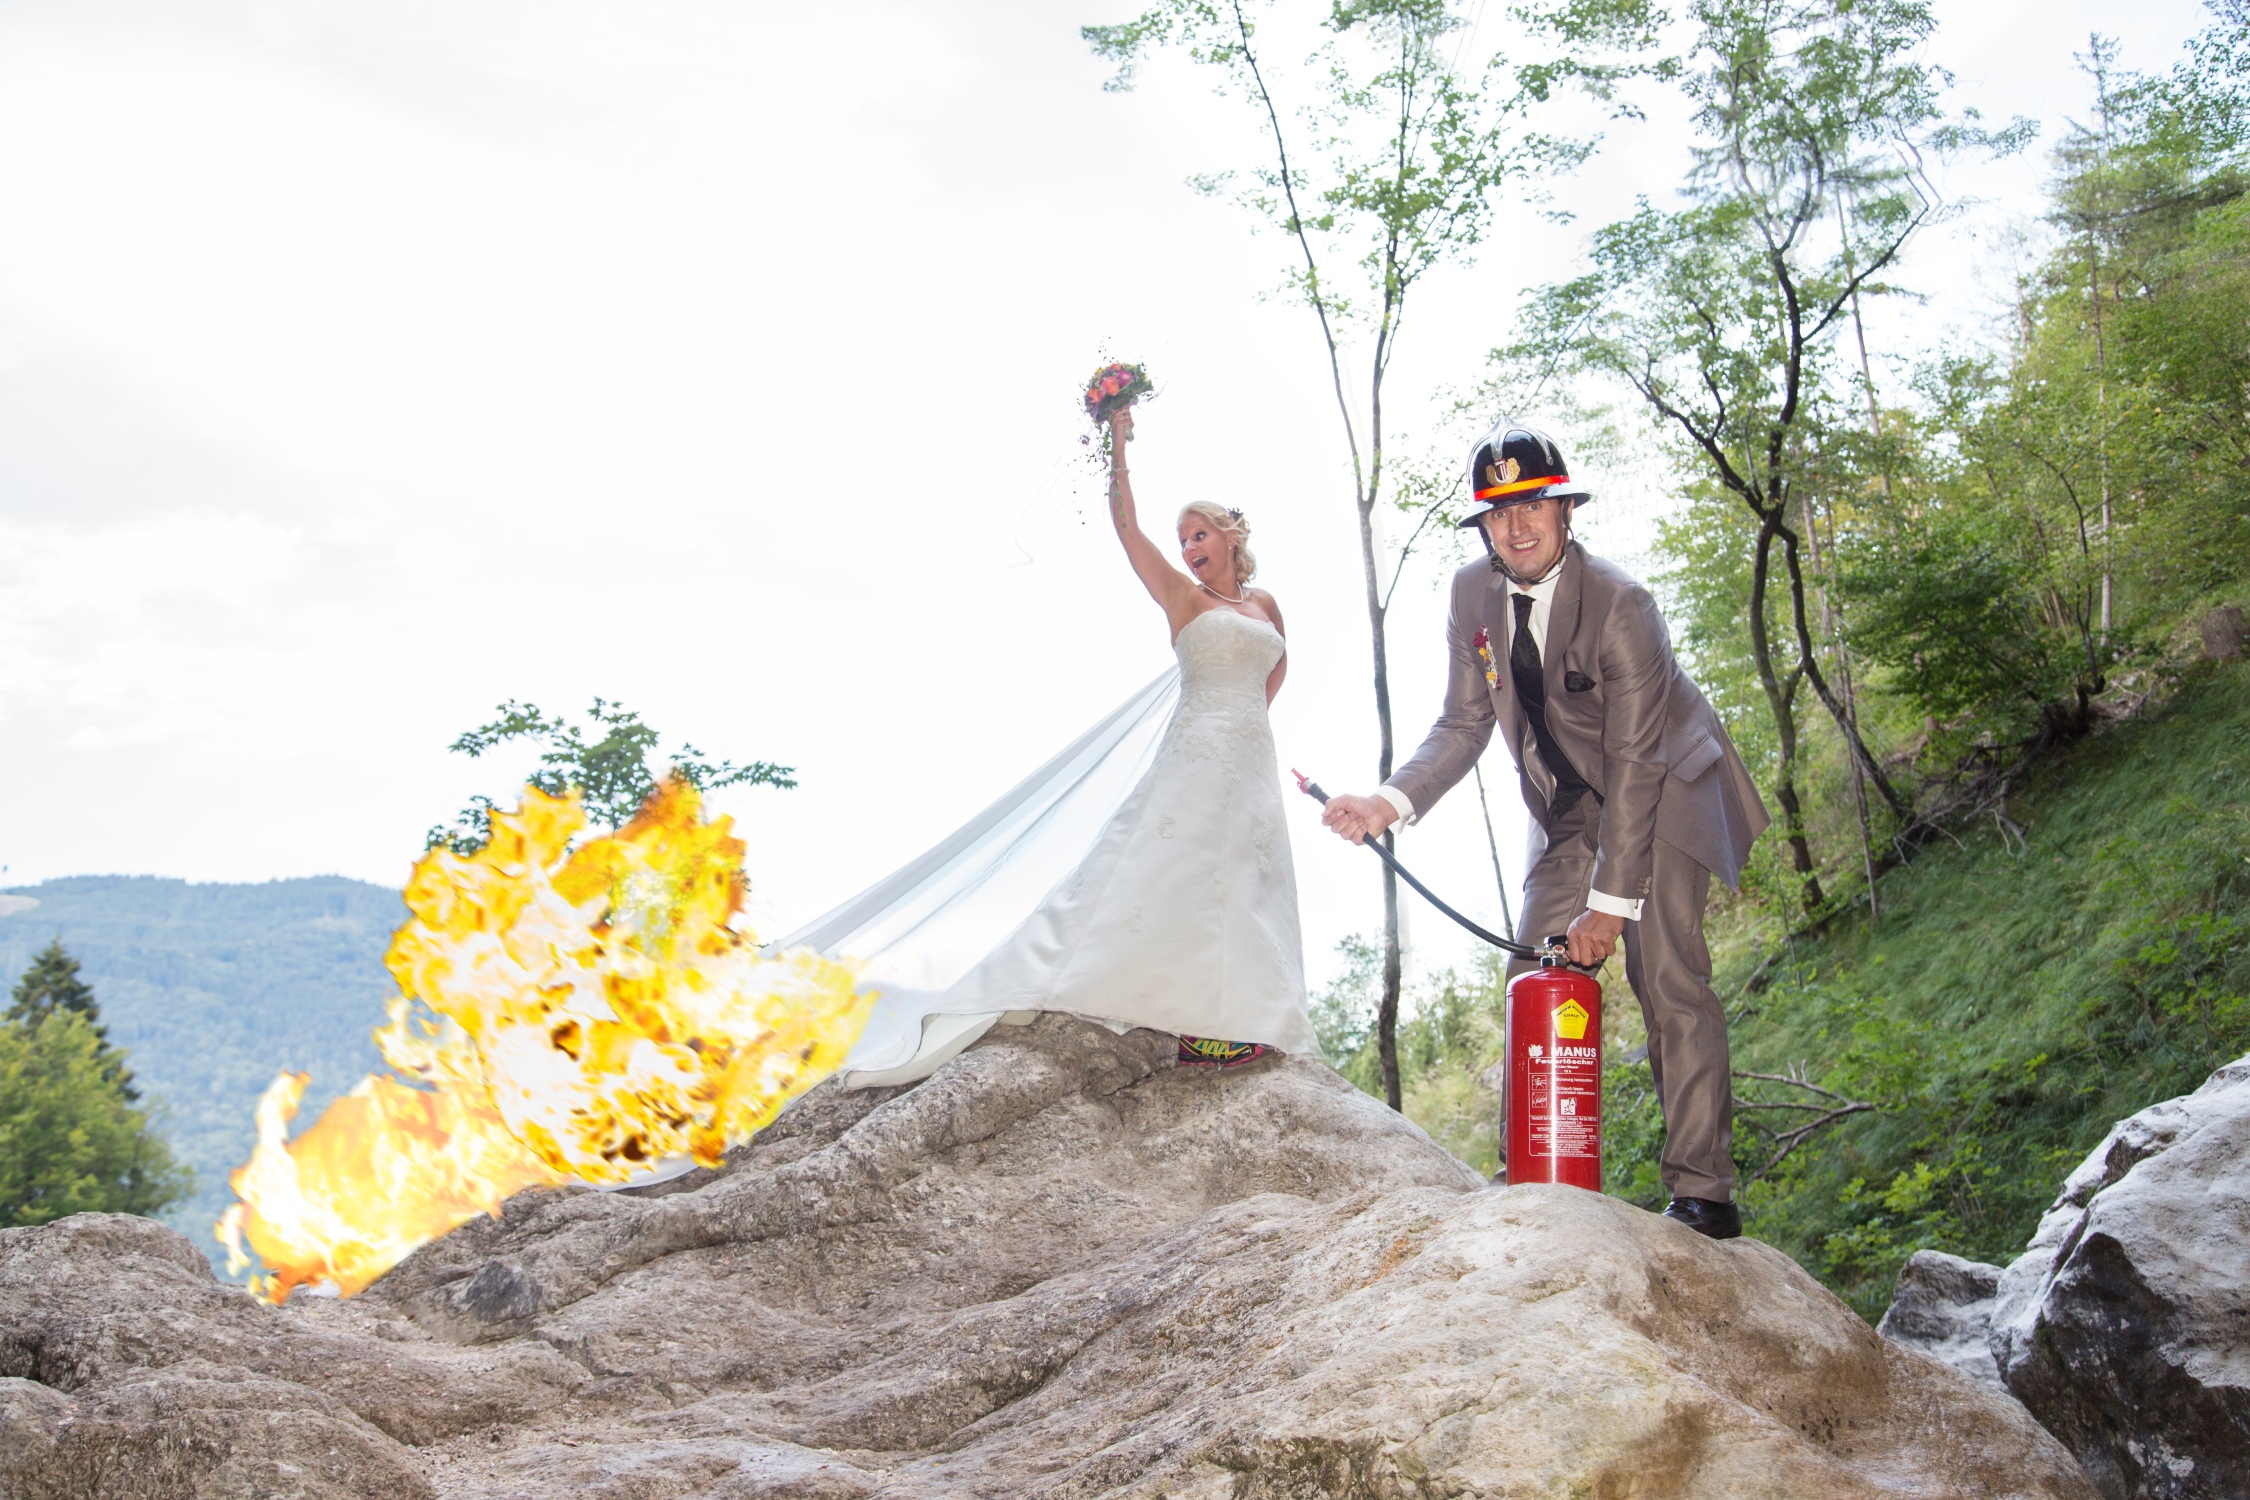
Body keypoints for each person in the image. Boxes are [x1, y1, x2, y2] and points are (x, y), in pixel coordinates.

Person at [1320, 419, 1768, 1239]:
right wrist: (1389, 802)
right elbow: (1462, 723)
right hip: (1566, 805)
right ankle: (1532, 1172)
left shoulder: (1623, 604)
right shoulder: (1470, 596)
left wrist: (1609, 903)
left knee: (1666, 974)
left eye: (1532, 506)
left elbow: (1634, 762)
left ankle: (1704, 1191)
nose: (1516, 526)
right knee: (1536, 970)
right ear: (1484, 525)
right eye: (1498, 512)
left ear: (1565, 511)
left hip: (1664, 783)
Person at [841, 402, 1316, 1087]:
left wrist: (1248, 722)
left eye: (1199, 533)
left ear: (1232, 536)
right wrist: (1118, 442)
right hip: (1198, 748)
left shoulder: (1265, 605)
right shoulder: (1182, 597)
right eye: (1183, 538)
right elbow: (1127, 529)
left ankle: (1237, 1020)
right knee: (1176, 867)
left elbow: (1277, 664)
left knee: (1249, 873)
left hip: (1250, 753)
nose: (1188, 548)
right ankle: (1139, 999)